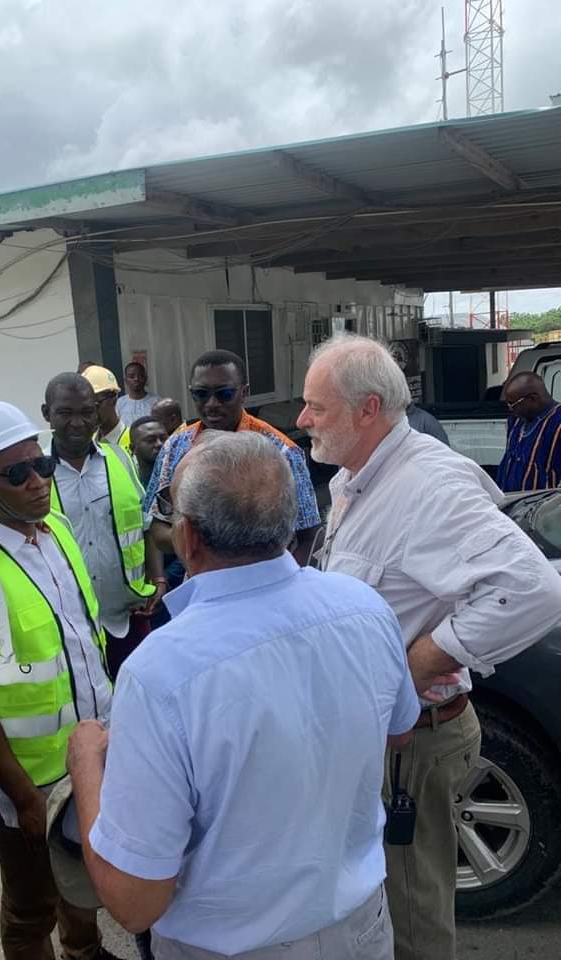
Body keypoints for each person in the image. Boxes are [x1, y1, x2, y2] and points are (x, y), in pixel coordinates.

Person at [65, 432, 419, 959]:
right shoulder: (364, 607)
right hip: (361, 930)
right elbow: (401, 729)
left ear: (189, 538)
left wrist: (85, 764)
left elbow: (136, 902)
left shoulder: (161, 673)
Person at [297, 333, 561, 960]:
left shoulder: (425, 484)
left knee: (413, 919)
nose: (302, 419)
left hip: (413, 741)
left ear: (367, 410)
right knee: (380, 901)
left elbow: (532, 590)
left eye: (317, 407)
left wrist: (417, 663)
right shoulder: (360, 477)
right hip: (384, 737)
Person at [0, 396, 119, 960]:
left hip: (86, 758)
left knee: (82, 874)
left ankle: (85, 951)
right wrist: (22, 796)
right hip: (27, 782)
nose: (38, 482)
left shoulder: (54, 532)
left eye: (43, 465)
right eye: (17, 473)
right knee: (32, 905)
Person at [42, 373, 166, 681]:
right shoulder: (36, 472)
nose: (77, 422)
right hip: (66, 624)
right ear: (47, 414)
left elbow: (144, 524)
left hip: (127, 615)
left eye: (86, 412)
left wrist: (158, 578)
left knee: (139, 703)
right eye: (65, 413)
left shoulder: (121, 459)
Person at [144, 349, 321, 564]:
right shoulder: (174, 447)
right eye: (201, 394)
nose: (211, 403)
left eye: (224, 393)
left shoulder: (282, 452)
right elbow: (158, 527)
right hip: (198, 583)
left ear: (244, 392)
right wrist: (200, 546)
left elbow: (309, 536)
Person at [497, 371, 561, 491]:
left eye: (513, 404)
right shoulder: (516, 421)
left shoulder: (557, 424)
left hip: (542, 506)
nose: (510, 409)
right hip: (509, 502)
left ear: (533, 398)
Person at [81, 365, 133, 456]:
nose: (90, 413)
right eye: (85, 409)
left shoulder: (133, 441)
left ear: (114, 398)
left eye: (95, 405)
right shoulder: (89, 442)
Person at [129, 417, 168, 488]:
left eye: (163, 438)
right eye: (151, 440)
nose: (159, 444)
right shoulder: (130, 484)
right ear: (133, 448)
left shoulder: (180, 476)